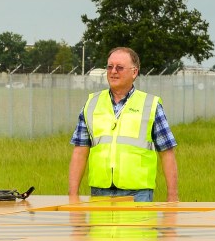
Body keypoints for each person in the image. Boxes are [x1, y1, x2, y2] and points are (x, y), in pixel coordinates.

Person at [68, 47, 179, 202]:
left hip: (138, 194)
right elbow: (80, 152)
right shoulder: (91, 104)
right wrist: (73, 196)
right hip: (100, 192)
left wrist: (172, 197)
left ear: (134, 72)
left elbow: (167, 153)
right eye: (109, 67)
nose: (113, 71)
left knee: (138, 228)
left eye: (119, 68)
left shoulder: (150, 105)